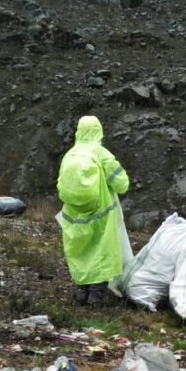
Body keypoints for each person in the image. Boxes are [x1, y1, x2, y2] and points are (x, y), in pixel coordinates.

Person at [56, 115, 130, 305]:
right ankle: (96, 296)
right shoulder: (101, 153)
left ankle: (82, 291)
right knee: (101, 250)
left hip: (73, 214)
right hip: (100, 213)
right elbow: (122, 184)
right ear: (99, 131)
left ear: (79, 131)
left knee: (80, 251)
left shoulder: (70, 154)